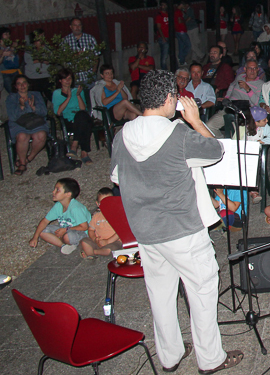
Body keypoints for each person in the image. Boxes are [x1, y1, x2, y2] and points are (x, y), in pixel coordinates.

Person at [110, 69, 243, 374]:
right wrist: (195, 121)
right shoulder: (178, 133)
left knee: (160, 295)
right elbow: (215, 151)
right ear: (170, 98)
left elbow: (117, 177)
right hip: (183, 229)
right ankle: (210, 359)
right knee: (203, 290)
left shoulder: (122, 135)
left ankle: (169, 356)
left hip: (146, 231)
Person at [29, 178, 91, 255]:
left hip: (81, 233)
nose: (53, 192)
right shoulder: (58, 205)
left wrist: (66, 229)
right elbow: (45, 221)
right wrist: (35, 237)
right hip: (65, 229)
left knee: (67, 237)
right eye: (54, 189)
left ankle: (73, 243)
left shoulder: (76, 208)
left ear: (68, 194)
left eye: (57, 190)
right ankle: (64, 246)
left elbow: (84, 227)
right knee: (42, 231)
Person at [206, 60, 265, 138]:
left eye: (255, 68)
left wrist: (248, 89)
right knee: (209, 126)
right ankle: (223, 142)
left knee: (237, 135)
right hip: (230, 108)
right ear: (245, 69)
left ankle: (232, 141)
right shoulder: (240, 77)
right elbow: (231, 86)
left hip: (245, 113)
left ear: (258, 70)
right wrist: (227, 97)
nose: (252, 71)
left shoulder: (261, 84)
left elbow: (257, 102)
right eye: (250, 68)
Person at [7, 74, 48, 175]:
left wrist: (33, 108)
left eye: (24, 83)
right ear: (15, 86)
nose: (22, 86)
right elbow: (13, 117)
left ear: (28, 84)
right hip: (19, 124)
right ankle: (22, 163)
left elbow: (44, 112)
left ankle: (29, 158)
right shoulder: (12, 97)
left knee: (41, 135)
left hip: (35, 122)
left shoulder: (36, 95)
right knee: (22, 136)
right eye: (19, 84)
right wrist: (21, 107)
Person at [53, 68, 94, 165]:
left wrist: (78, 95)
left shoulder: (77, 91)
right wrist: (68, 97)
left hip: (81, 117)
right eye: (65, 79)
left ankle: (74, 145)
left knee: (82, 116)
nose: (68, 81)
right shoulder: (57, 93)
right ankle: (84, 153)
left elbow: (83, 108)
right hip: (69, 120)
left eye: (69, 78)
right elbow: (58, 112)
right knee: (84, 121)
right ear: (60, 80)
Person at [79, 187, 121, 259]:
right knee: (84, 241)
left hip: (113, 242)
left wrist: (107, 241)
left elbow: (120, 232)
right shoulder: (96, 216)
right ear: (98, 204)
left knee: (111, 249)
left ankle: (94, 252)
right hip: (98, 242)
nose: (106, 205)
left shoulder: (117, 215)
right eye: (102, 203)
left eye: (109, 202)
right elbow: (91, 230)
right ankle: (91, 252)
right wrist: (94, 239)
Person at [62, 17, 99, 86]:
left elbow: (96, 56)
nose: (77, 27)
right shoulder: (65, 41)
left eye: (79, 25)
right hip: (75, 77)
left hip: (89, 76)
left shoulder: (90, 39)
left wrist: (94, 70)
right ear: (71, 27)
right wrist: (75, 55)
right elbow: (64, 58)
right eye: (75, 25)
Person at [24, 29, 51, 99]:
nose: (43, 38)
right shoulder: (29, 49)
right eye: (41, 36)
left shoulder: (47, 48)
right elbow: (29, 61)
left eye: (43, 35)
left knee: (50, 94)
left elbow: (51, 58)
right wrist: (41, 60)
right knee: (37, 97)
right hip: (34, 76)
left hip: (46, 75)